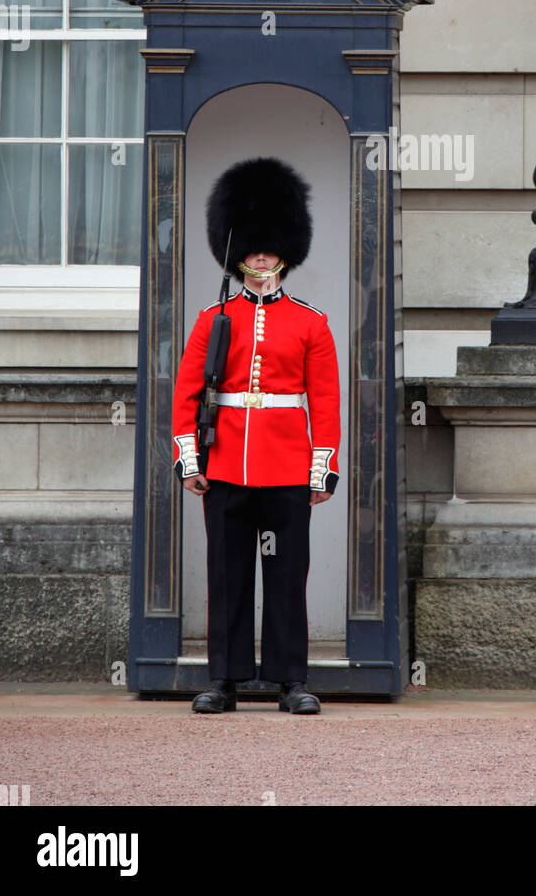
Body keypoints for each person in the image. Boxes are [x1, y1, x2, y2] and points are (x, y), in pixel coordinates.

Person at [172, 156, 340, 716]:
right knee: (229, 574)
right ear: (236, 250)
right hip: (225, 466)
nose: (260, 254)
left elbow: (325, 400)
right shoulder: (210, 319)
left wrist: (322, 466)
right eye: (251, 246)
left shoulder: (311, 322)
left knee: (288, 575)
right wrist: (189, 457)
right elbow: (188, 394)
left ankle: (291, 680)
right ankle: (225, 679)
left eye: (268, 246)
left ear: (285, 250)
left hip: (289, 467)